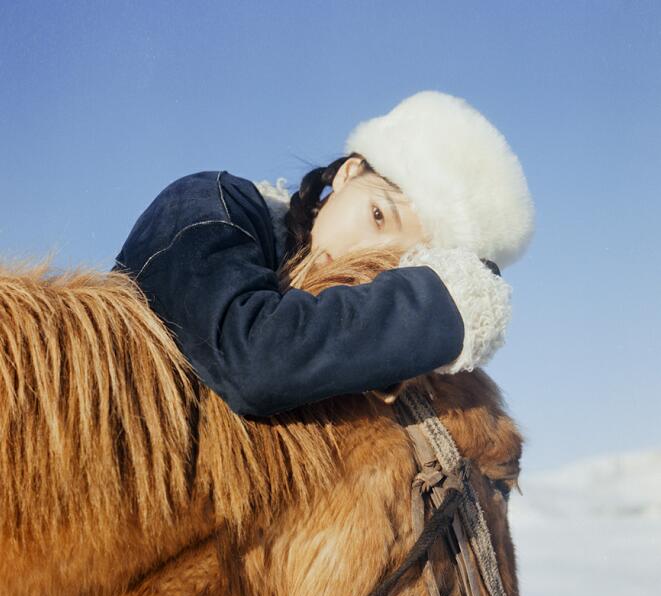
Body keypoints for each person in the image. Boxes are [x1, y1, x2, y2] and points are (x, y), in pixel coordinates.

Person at [113, 91, 534, 417]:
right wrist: (449, 304)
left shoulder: (330, 350)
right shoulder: (212, 204)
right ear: (350, 172)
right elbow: (253, 361)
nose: (363, 258)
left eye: (396, 264)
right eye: (377, 216)